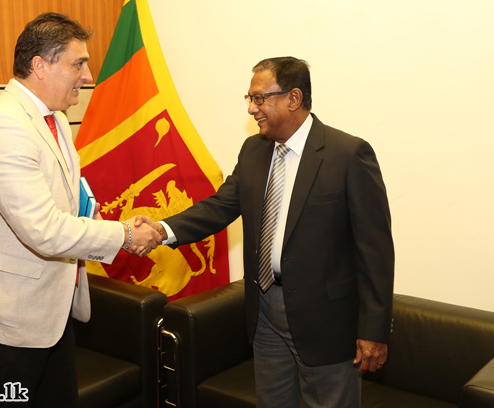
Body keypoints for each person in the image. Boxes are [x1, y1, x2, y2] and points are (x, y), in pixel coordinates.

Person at [151, 57, 394, 407]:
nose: (252, 108)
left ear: (293, 98)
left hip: (324, 319)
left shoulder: (347, 154)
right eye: (249, 99)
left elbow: (376, 250)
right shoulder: (254, 151)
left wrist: (373, 331)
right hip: (264, 309)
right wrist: (162, 230)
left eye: (259, 98)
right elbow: (219, 207)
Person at [0, 12, 161, 407]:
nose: (88, 74)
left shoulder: (56, 120)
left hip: (52, 312)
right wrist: (125, 236)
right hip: (9, 323)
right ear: (40, 66)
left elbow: (71, 202)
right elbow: (43, 229)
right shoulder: (2, 125)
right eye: (78, 63)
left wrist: (116, 223)